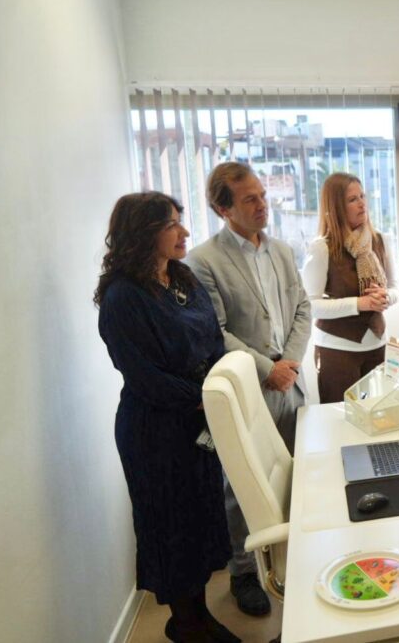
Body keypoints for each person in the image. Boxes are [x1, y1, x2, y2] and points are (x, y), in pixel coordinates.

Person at [96, 193, 239, 643]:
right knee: (171, 527)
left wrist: (214, 389)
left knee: (199, 521)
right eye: (173, 225)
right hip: (155, 431)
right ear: (145, 232)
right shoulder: (123, 296)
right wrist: (202, 398)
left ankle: (195, 619)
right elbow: (142, 375)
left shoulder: (182, 276)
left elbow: (213, 339)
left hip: (198, 420)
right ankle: (188, 624)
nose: (185, 233)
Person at [187, 162, 312, 617]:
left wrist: (289, 363)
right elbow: (215, 331)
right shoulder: (203, 262)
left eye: (263, 196)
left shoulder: (280, 250)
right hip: (248, 387)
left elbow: (301, 307)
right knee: (243, 485)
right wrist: (266, 368)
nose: (263, 206)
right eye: (250, 200)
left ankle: (294, 558)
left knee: (296, 474)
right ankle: (244, 573)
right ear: (223, 208)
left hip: (291, 380)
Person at [301, 173, 397, 403]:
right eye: (352, 199)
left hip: (377, 345)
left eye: (362, 196)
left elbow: (395, 288)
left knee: (376, 420)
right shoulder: (322, 248)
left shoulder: (381, 240)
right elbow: (310, 305)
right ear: (335, 207)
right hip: (337, 352)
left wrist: (386, 297)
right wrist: (359, 304)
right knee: (341, 425)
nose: (362, 203)